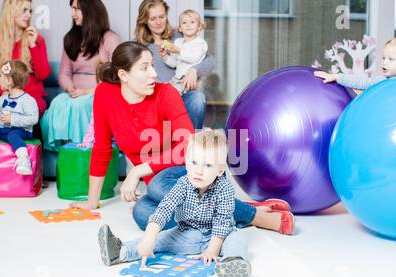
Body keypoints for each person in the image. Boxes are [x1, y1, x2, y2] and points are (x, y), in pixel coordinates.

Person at [70, 41, 295, 236]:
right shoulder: (105, 95)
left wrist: (139, 169)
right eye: (144, 68)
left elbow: (187, 145)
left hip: (193, 171)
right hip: (163, 186)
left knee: (158, 187)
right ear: (123, 75)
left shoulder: (166, 93)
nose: (154, 74)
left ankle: (254, 216)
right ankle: (226, 210)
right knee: (142, 214)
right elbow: (101, 149)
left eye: (153, 66)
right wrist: (92, 201)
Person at [98, 129, 252, 277]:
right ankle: (121, 251)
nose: (198, 170)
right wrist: (149, 238)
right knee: (160, 239)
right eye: (194, 162)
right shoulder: (183, 183)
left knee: (237, 238)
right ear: (186, 162)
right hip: (188, 233)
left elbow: (222, 221)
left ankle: (231, 261)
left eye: (207, 165)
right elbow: (165, 208)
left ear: (219, 170)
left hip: (220, 236)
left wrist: (212, 250)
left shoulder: (224, 188)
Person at [40, 0, 121, 151]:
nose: (72, 14)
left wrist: (87, 91)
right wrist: (70, 88)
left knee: (79, 104)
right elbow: (64, 72)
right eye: (72, 9)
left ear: (90, 11)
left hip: (99, 93)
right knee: (58, 102)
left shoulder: (110, 39)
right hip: (74, 94)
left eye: (76, 9)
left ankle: (83, 149)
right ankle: (68, 151)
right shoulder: (70, 39)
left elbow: (116, 76)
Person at [135, 0, 213, 129]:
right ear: (144, 21)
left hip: (183, 94)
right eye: (153, 19)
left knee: (197, 99)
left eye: (161, 17)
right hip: (157, 101)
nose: (158, 22)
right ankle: (169, 143)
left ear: (166, 15)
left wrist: (194, 70)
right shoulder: (138, 47)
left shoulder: (180, 36)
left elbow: (209, 60)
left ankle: (192, 144)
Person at [0, 0, 50, 120]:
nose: (29, 15)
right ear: (11, 12)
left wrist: (33, 46)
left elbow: (43, 74)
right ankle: (13, 135)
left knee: (27, 109)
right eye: (24, 10)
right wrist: (2, 94)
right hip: (5, 96)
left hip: (30, 97)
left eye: (30, 11)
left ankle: (15, 134)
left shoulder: (37, 40)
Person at [314, 36, 396, 89]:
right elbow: (361, 82)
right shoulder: (382, 80)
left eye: (391, 59)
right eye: (383, 58)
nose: (384, 63)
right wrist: (337, 77)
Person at [161, 9, 208, 95]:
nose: (188, 25)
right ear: (180, 28)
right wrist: (165, 57)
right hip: (177, 78)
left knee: (172, 95)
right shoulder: (178, 42)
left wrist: (178, 51)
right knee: (164, 91)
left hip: (191, 81)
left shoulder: (200, 43)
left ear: (199, 27)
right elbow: (174, 63)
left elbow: (194, 58)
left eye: (192, 22)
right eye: (184, 23)